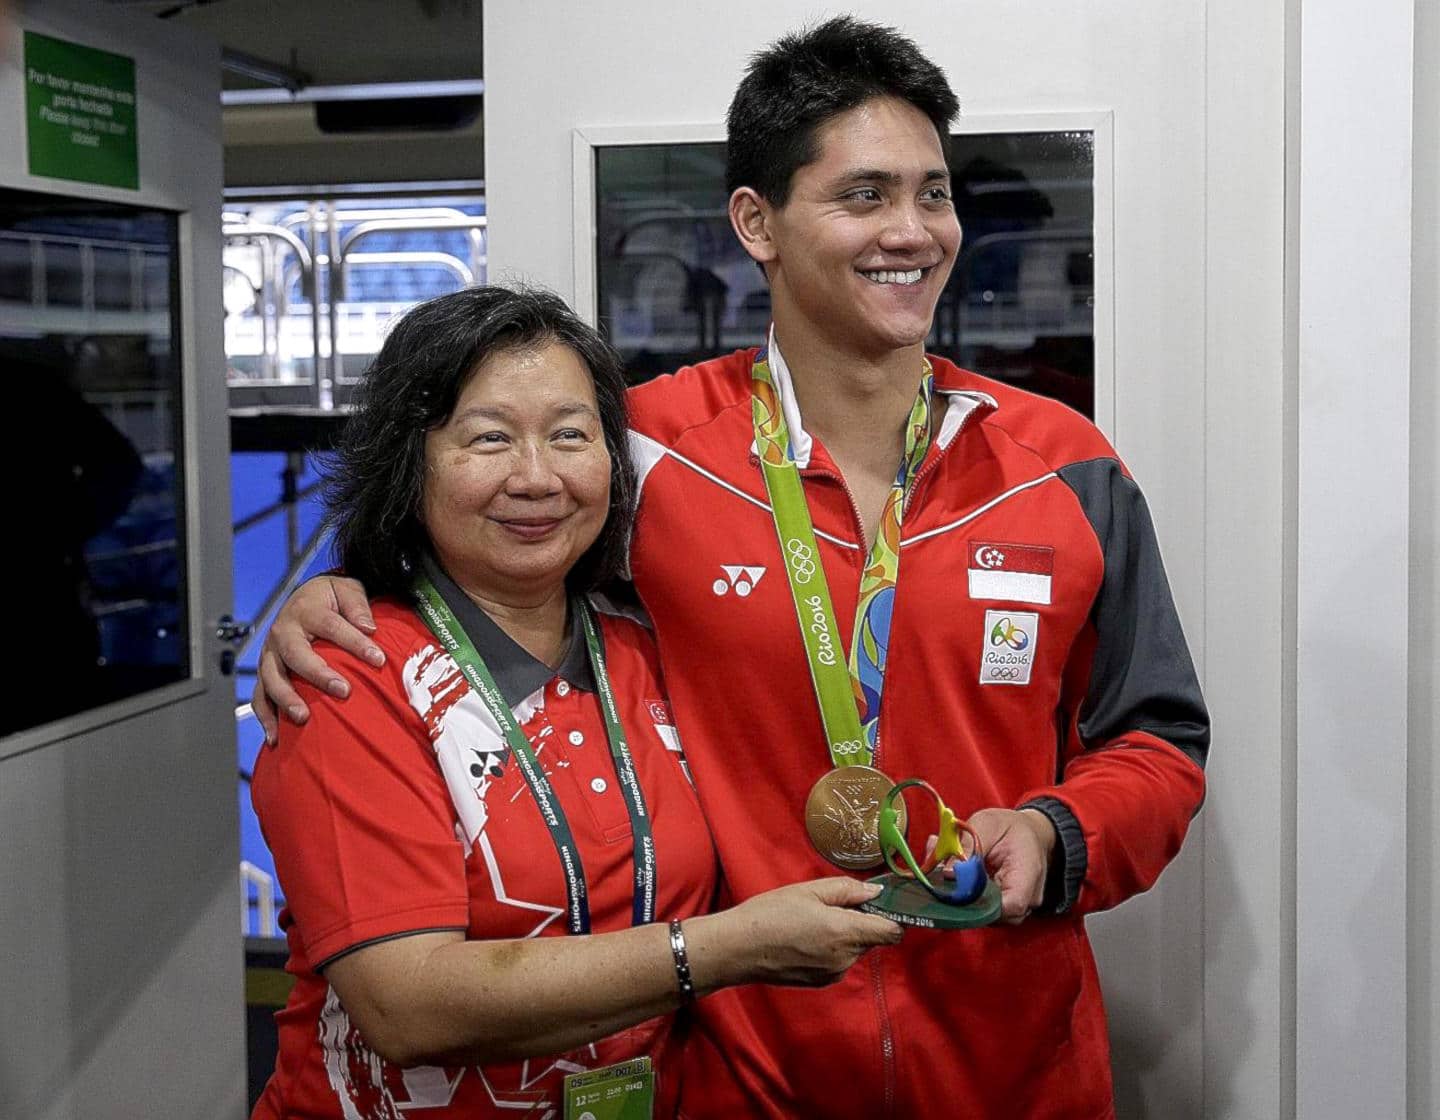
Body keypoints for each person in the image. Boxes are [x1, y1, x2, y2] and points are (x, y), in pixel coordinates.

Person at [253, 18, 1209, 1119]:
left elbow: (1157, 738)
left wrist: (1058, 831)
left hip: (1012, 1067)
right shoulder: (640, 456)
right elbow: (481, 549)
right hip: (743, 1073)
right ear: (756, 222)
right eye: (864, 195)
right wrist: (333, 595)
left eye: (934, 193)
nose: (913, 231)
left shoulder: (1065, 468)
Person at [247, 285, 901, 1120]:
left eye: (570, 435)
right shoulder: (353, 676)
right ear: (409, 463)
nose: (537, 477)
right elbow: (404, 1006)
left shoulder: (647, 644)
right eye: (488, 439)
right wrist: (720, 951)